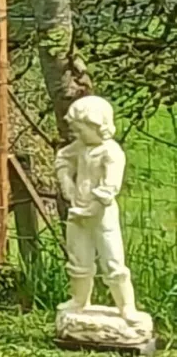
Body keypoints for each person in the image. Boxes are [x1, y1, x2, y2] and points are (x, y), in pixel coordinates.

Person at [55, 95, 139, 321]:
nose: (77, 136)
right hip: (78, 213)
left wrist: (92, 208)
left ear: (98, 127)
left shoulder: (111, 152)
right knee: (78, 259)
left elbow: (110, 186)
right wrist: (66, 182)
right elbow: (63, 158)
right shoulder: (80, 147)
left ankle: (126, 306)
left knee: (112, 260)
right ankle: (79, 300)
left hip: (102, 216)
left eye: (81, 131)